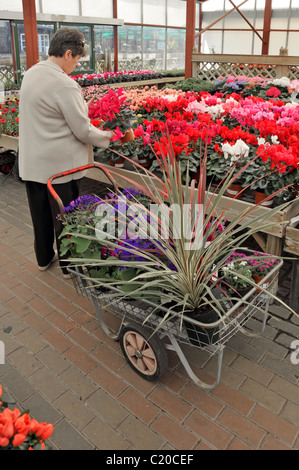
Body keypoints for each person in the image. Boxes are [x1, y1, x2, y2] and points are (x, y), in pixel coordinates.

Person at [19, 27, 113, 277]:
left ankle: (43, 258)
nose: (77, 65)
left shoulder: (31, 73)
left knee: (40, 215)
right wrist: (110, 137)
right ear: (69, 53)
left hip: (32, 163)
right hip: (59, 167)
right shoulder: (64, 84)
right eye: (78, 59)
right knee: (65, 218)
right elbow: (83, 131)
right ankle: (68, 266)